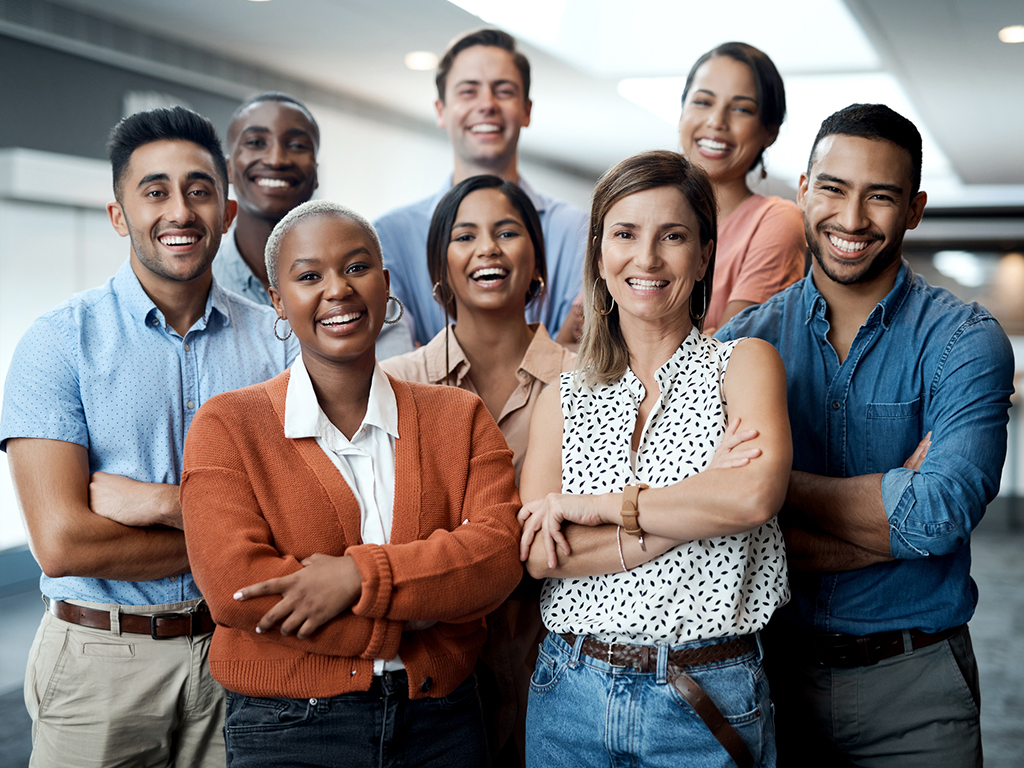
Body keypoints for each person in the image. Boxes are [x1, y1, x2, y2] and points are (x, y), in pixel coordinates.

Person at [717, 103, 1015, 767]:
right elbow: (718, 536)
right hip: (767, 679)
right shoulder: (740, 344)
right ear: (800, 191)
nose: (852, 220)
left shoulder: (965, 341)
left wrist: (765, 489)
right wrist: (892, 514)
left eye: (880, 196)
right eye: (833, 188)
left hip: (917, 687)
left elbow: (937, 518)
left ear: (914, 208)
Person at [0, 106, 297, 767]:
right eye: (155, 191)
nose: (180, 212)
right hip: (100, 665)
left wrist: (161, 504)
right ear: (119, 215)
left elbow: (307, 520)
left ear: (225, 208)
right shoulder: (58, 343)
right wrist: (237, 534)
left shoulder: (277, 345)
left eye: (198, 190)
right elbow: (63, 542)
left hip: (241, 652)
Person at [180, 200, 524, 768]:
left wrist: (354, 577)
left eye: (357, 268)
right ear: (278, 302)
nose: (337, 289)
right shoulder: (227, 424)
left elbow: (495, 557)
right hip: (289, 724)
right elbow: (237, 588)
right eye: (309, 276)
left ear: (385, 285)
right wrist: (422, 604)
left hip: (440, 718)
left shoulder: (459, 416)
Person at [518, 150, 792, 768]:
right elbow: (540, 553)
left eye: (672, 236)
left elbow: (750, 498)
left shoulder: (744, 364)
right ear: (599, 255)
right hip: (571, 687)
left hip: (706, 692)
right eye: (625, 234)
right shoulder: (564, 391)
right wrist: (694, 506)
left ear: (702, 257)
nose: (646, 258)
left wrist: (592, 509)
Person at [382, 175, 574, 766]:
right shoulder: (394, 383)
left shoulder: (590, 380)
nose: (488, 248)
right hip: (429, 657)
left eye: (507, 232)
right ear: (440, 268)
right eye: (466, 235)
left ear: (536, 261)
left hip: (557, 654)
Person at [374, 28, 587, 346]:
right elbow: (398, 366)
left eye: (503, 91)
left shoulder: (578, 230)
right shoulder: (388, 236)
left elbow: (581, 357)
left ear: (526, 110)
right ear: (441, 111)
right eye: (468, 91)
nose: (487, 104)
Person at [215, 91, 413, 356]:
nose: (276, 160)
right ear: (227, 168)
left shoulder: (363, 288)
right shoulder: (204, 283)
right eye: (255, 142)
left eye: (297, 145)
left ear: (316, 172)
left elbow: (393, 381)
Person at [678, 42, 806, 332]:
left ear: (769, 131)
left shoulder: (776, 221)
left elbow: (723, 356)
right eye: (702, 102)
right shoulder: (639, 209)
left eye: (741, 109)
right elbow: (575, 342)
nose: (716, 121)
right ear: (682, 109)